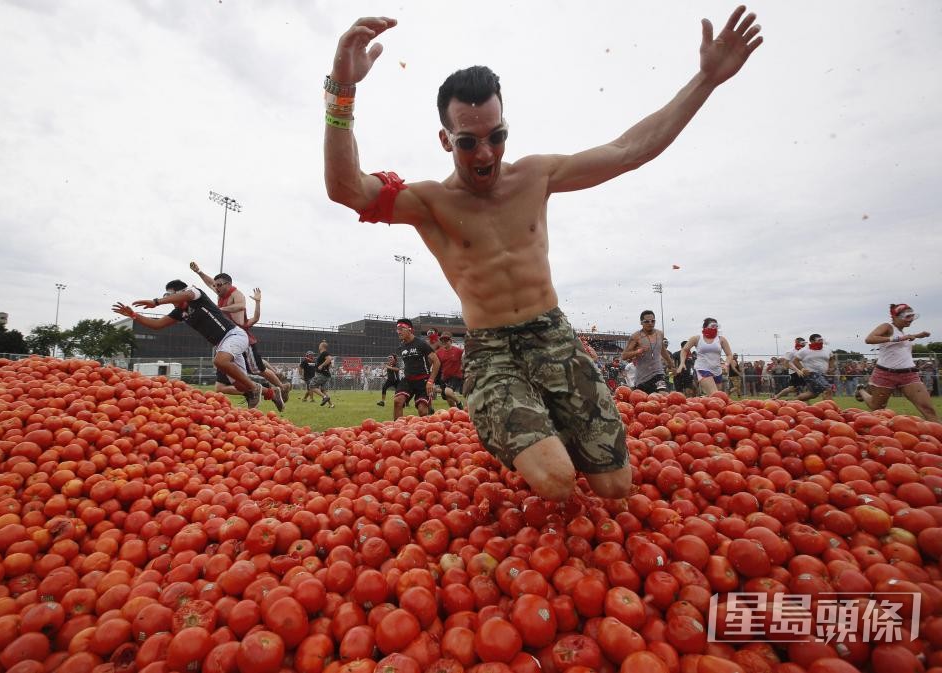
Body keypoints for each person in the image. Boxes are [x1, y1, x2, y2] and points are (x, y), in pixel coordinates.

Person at [323, 9, 762, 502]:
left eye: (497, 135)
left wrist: (705, 80)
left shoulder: (536, 176)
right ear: (445, 139)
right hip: (492, 350)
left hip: (553, 336)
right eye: (468, 142)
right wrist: (341, 89)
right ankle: (512, 422)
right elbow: (345, 188)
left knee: (616, 488)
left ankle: (546, 423)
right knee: (555, 482)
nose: (486, 153)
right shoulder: (430, 203)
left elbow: (631, 149)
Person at [112, 280, 270, 409]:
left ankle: (255, 388)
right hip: (223, 344)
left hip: (234, 334)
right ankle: (272, 393)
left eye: (169, 295)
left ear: (179, 292)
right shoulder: (179, 313)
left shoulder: (195, 294)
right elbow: (157, 324)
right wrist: (133, 315)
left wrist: (156, 302)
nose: (168, 299)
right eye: (165, 296)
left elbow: (187, 294)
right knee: (241, 386)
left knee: (219, 361)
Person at [190, 263, 290, 403]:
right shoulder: (221, 293)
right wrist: (199, 272)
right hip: (226, 340)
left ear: (228, 284)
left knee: (257, 369)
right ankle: (256, 391)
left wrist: (256, 303)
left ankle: (279, 387)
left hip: (240, 339)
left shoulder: (236, 295)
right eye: (216, 285)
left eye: (219, 285)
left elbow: (243, 308)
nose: (216, 288)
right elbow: (210, 283)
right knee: (221, 385)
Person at [856, 304, 938, 422]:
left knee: (928, 409)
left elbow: (901, 341)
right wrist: (898, 339)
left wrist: (917, 335)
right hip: (885, 373)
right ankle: (861, 391)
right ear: (895, 317)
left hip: (909, 375)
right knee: (877, 407)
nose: (910, 320)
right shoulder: (887, 327)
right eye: (907, 317)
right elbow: (869, 339)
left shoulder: (901, 332)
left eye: (912, 317)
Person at [393, 319, 440, 420]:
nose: (398, 332)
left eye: (401, 329)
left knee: (422, 411)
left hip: (423, 381)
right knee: (398, 401)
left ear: (410, 329)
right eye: (397, 329)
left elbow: (436, 361)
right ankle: (396, 430)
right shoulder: (402, 346)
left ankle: (426, 430)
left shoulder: (421, 344)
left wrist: (430, 381)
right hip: (408, 380)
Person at [678, 318, 735, 396]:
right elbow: (684, 350)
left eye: (716, 326)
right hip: (702, 368)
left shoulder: (721, 339)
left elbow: (729, 354)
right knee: (716, 395)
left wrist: (726, 364)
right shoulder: (697, 338)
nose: (714, 328)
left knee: (714, 397)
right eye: (712, 326)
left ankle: (699, 403)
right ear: (705, 327)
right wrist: (682, 363)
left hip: (717, 370)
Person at [622, 310, 674, 393]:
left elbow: (663, 351)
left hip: (658, 373)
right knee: (646, 402)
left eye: (653, 321)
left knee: (663, 395)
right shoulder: (636, 336)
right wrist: (637, 352)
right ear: (641, 323)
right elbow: (624, 356)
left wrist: (672, 365)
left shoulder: (660, 334)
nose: (650, 323)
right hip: (642, 378)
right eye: (647, 321)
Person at [788, 333, 837, 402]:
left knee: (813, 394)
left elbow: (832, 358)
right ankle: (831, 408)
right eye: (819, 340)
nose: (821, 342)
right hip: (810, 373)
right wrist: (802, 369)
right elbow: (795, 361)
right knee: (827, 389)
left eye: (821, 340)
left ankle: (789, 402)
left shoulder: (827, 348)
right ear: (812, 341)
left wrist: (831, 367)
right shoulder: (804, 350)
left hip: (823, 374)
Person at [436, 331, 465, 408]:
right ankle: (456, 413)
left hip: (456, 375)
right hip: (444, 377)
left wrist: (463, 369)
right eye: (442, 340)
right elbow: (437, 365)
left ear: (451, 341)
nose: (444, 342)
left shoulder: (459, 351)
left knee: (448, 391)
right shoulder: (438, 352)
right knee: (449, 400)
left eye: (446, 340)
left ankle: (459, 403)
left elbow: (465, 360)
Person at [310, 341, 335, 407]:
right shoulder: (323, 354)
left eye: (320, 345)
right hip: (325, 375)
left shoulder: (324, 352)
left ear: (322, 346)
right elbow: (330, 363)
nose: (319, 346)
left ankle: (324, 397)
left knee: (312, 386)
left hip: (321, 374)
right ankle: (331, 405)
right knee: (323, 390)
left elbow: (329, 359)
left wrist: (321, 365)